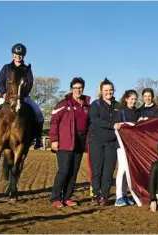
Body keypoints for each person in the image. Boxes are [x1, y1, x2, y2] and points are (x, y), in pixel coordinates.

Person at [0, 43, 44, 152]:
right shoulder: (6, 68)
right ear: (12, 55)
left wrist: (22, 95)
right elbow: (0, 81)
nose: (18, 57)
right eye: (16, 55)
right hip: (5, 97)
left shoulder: (26, 69)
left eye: (20, 55)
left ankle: (38, 139)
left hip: (23, 97)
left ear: (23, 56)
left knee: (39, 114)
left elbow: (29, 83)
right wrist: (4, 93)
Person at [49, 77, 90, 208]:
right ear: (71, 89)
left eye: (80, 87)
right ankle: (55, 198)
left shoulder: (86, 105)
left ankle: (67, 197)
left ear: (83, 88)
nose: (78, 90)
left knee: (74, 171)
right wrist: (54, 140)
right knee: (64, 170)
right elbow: (54, 121)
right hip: (65, 141)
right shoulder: (63, 104)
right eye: (75, 88)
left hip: (80, 141)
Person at [88, 78, 122, 206]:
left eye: (111, 90)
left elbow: (123, 121)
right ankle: (95, 195)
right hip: (97, 142)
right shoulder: (96, 104)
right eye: (106, 90)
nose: (109, 92)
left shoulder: (118, 106)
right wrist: (111, 125)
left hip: (112, 143)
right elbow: (94, 120)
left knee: (108, 170)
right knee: (97, 170)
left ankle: (104, 195)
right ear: (101, 92)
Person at [114, 90, 140, 207]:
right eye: (131, 99)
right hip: (121, 145)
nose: (133, 101)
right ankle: (118, 196)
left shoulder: (137, 112)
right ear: (126, 99)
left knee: (128, 170)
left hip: (132, 146)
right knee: (122, 169)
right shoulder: (121, 112)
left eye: (135, 99)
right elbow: (117, 127)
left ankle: (124, 195)